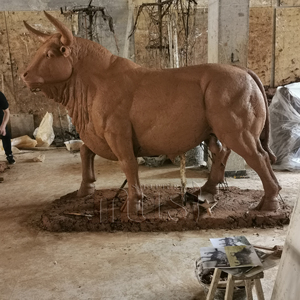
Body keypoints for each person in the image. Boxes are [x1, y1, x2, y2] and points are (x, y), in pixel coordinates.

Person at [0, 91, 15, 164]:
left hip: (0, 119)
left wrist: (3, 125)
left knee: (5, 134)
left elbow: (7, 112)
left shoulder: (0, 96)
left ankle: (9, 154)